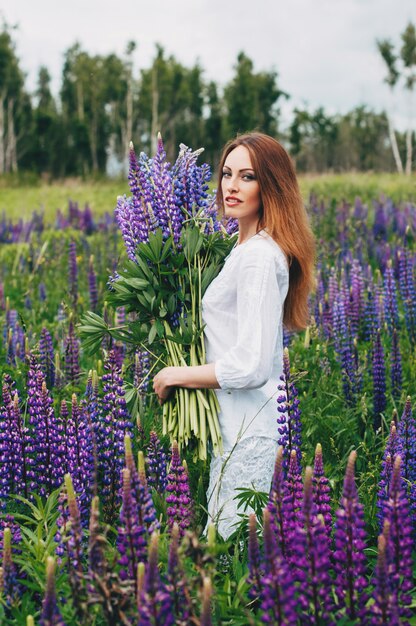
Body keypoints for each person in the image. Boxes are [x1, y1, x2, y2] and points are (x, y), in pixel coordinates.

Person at [153, 132, 315, 539]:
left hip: (250, 433)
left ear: (271, 187)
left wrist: (178, 374)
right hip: (233, 430)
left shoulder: (260, 257)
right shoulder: (241, 249)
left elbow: (253, 365)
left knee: (236, 563)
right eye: (227, 173)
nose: (231, 185)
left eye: (247, 176)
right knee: (229, 561)